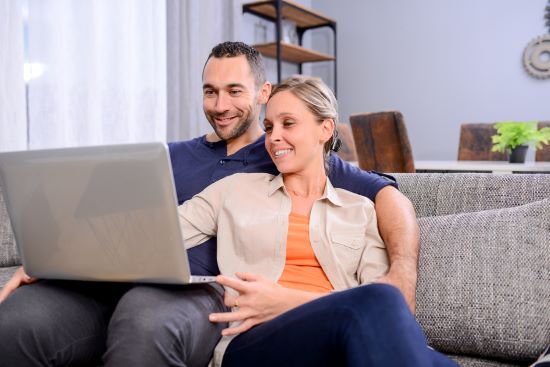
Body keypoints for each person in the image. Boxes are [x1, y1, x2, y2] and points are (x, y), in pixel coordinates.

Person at [0, 41, 419, 366]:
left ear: (262, 93)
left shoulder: (286, 156)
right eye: (210, 92)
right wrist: (50, 258)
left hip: (184, 297)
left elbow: (387, 194)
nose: (220, 106)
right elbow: (110, 223)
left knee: (145, 319)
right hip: (108, 281)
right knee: (15, 322)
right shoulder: (167, 157)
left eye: (234, 91)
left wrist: (402, 270)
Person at [176, 74, 457, 367]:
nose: (273, 138)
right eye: (269, 127)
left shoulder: (360, 210)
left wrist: (284, 300)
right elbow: (162, 235)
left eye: (288, 124)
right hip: (254, 341)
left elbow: (383, 301)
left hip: (342, 341)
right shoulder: (235, 190)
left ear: (325, 128)